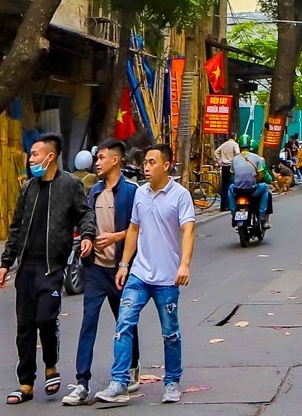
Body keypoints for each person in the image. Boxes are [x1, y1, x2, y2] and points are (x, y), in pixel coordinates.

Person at [0, 132, 94, 406]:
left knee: (46, 319)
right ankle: (25, 384)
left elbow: (85, 213)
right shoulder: (28, 188)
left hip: (52, 267)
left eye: (35, 155)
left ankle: (51, 365)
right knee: (24, 326)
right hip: (26, 267)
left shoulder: (70, 184)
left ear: (50, 157)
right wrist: (6, 262)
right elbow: (16, 227)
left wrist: (87, 236)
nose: (31, 159)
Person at [95, 141, 195, 408]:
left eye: (152, 162)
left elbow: (188, 231)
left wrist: (183, 264)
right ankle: (119, 381)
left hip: (167, 279)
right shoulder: (140, 193)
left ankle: (172, 381)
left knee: (170, 332)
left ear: (166, 165)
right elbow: (133, 230)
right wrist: (124, 265)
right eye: (145, 163)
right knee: (123, 326)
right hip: (139, 274)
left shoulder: (180, 195)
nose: (146, 167)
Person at [63, 141, 138, 407]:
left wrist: (117, 238)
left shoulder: (131, 192)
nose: (98, 162)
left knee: (125, 323)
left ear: (116, 160)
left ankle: (132, 368)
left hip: (120, 269)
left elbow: (138, 229)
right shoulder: (93, 191)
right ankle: (81, 383)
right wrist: (87, 238)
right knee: (88, 323)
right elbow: (87, 221)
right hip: (95, 268)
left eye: (103, 157)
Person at [229, 145, 271, 221]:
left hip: (238, 190)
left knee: (230, 187)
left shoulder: (234, 159)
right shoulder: (258, 158)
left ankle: (233, 212)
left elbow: (232, 176)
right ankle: (262, 215)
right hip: (252, 189)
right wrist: (255, 181)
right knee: (265, 187)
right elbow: (262, 175)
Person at [213, 133, 239, 211]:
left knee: (224, 186)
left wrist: (220, 161)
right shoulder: (235, 144)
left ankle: (222, 206)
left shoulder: (224, 145)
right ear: (235, 137)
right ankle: (229, 205)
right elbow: (238, 154)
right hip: (231, 167)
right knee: (230, 185)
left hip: (224, 167)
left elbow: (216, 152)